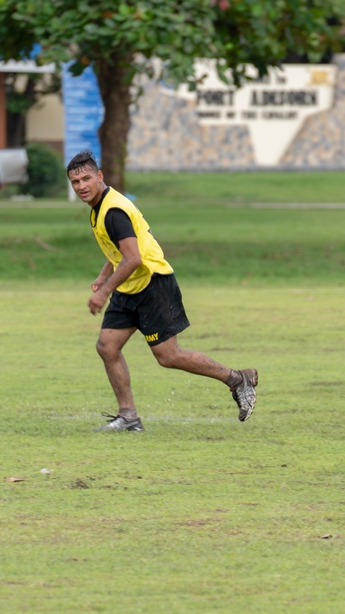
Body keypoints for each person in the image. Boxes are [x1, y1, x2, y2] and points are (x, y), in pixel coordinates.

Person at [67, 150, 258, 432]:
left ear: (99, 176)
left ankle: (236, 379)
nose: (81, 186)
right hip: (130, 285)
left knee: (168, 356)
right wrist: (103, 274)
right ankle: (128, 418)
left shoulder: (114, 210)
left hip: (153, 283)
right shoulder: (101, 206)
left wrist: (104, 290)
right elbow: (120, 249)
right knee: (107, 346)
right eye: (75, 182)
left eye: (86, 178)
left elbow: (133, 258)